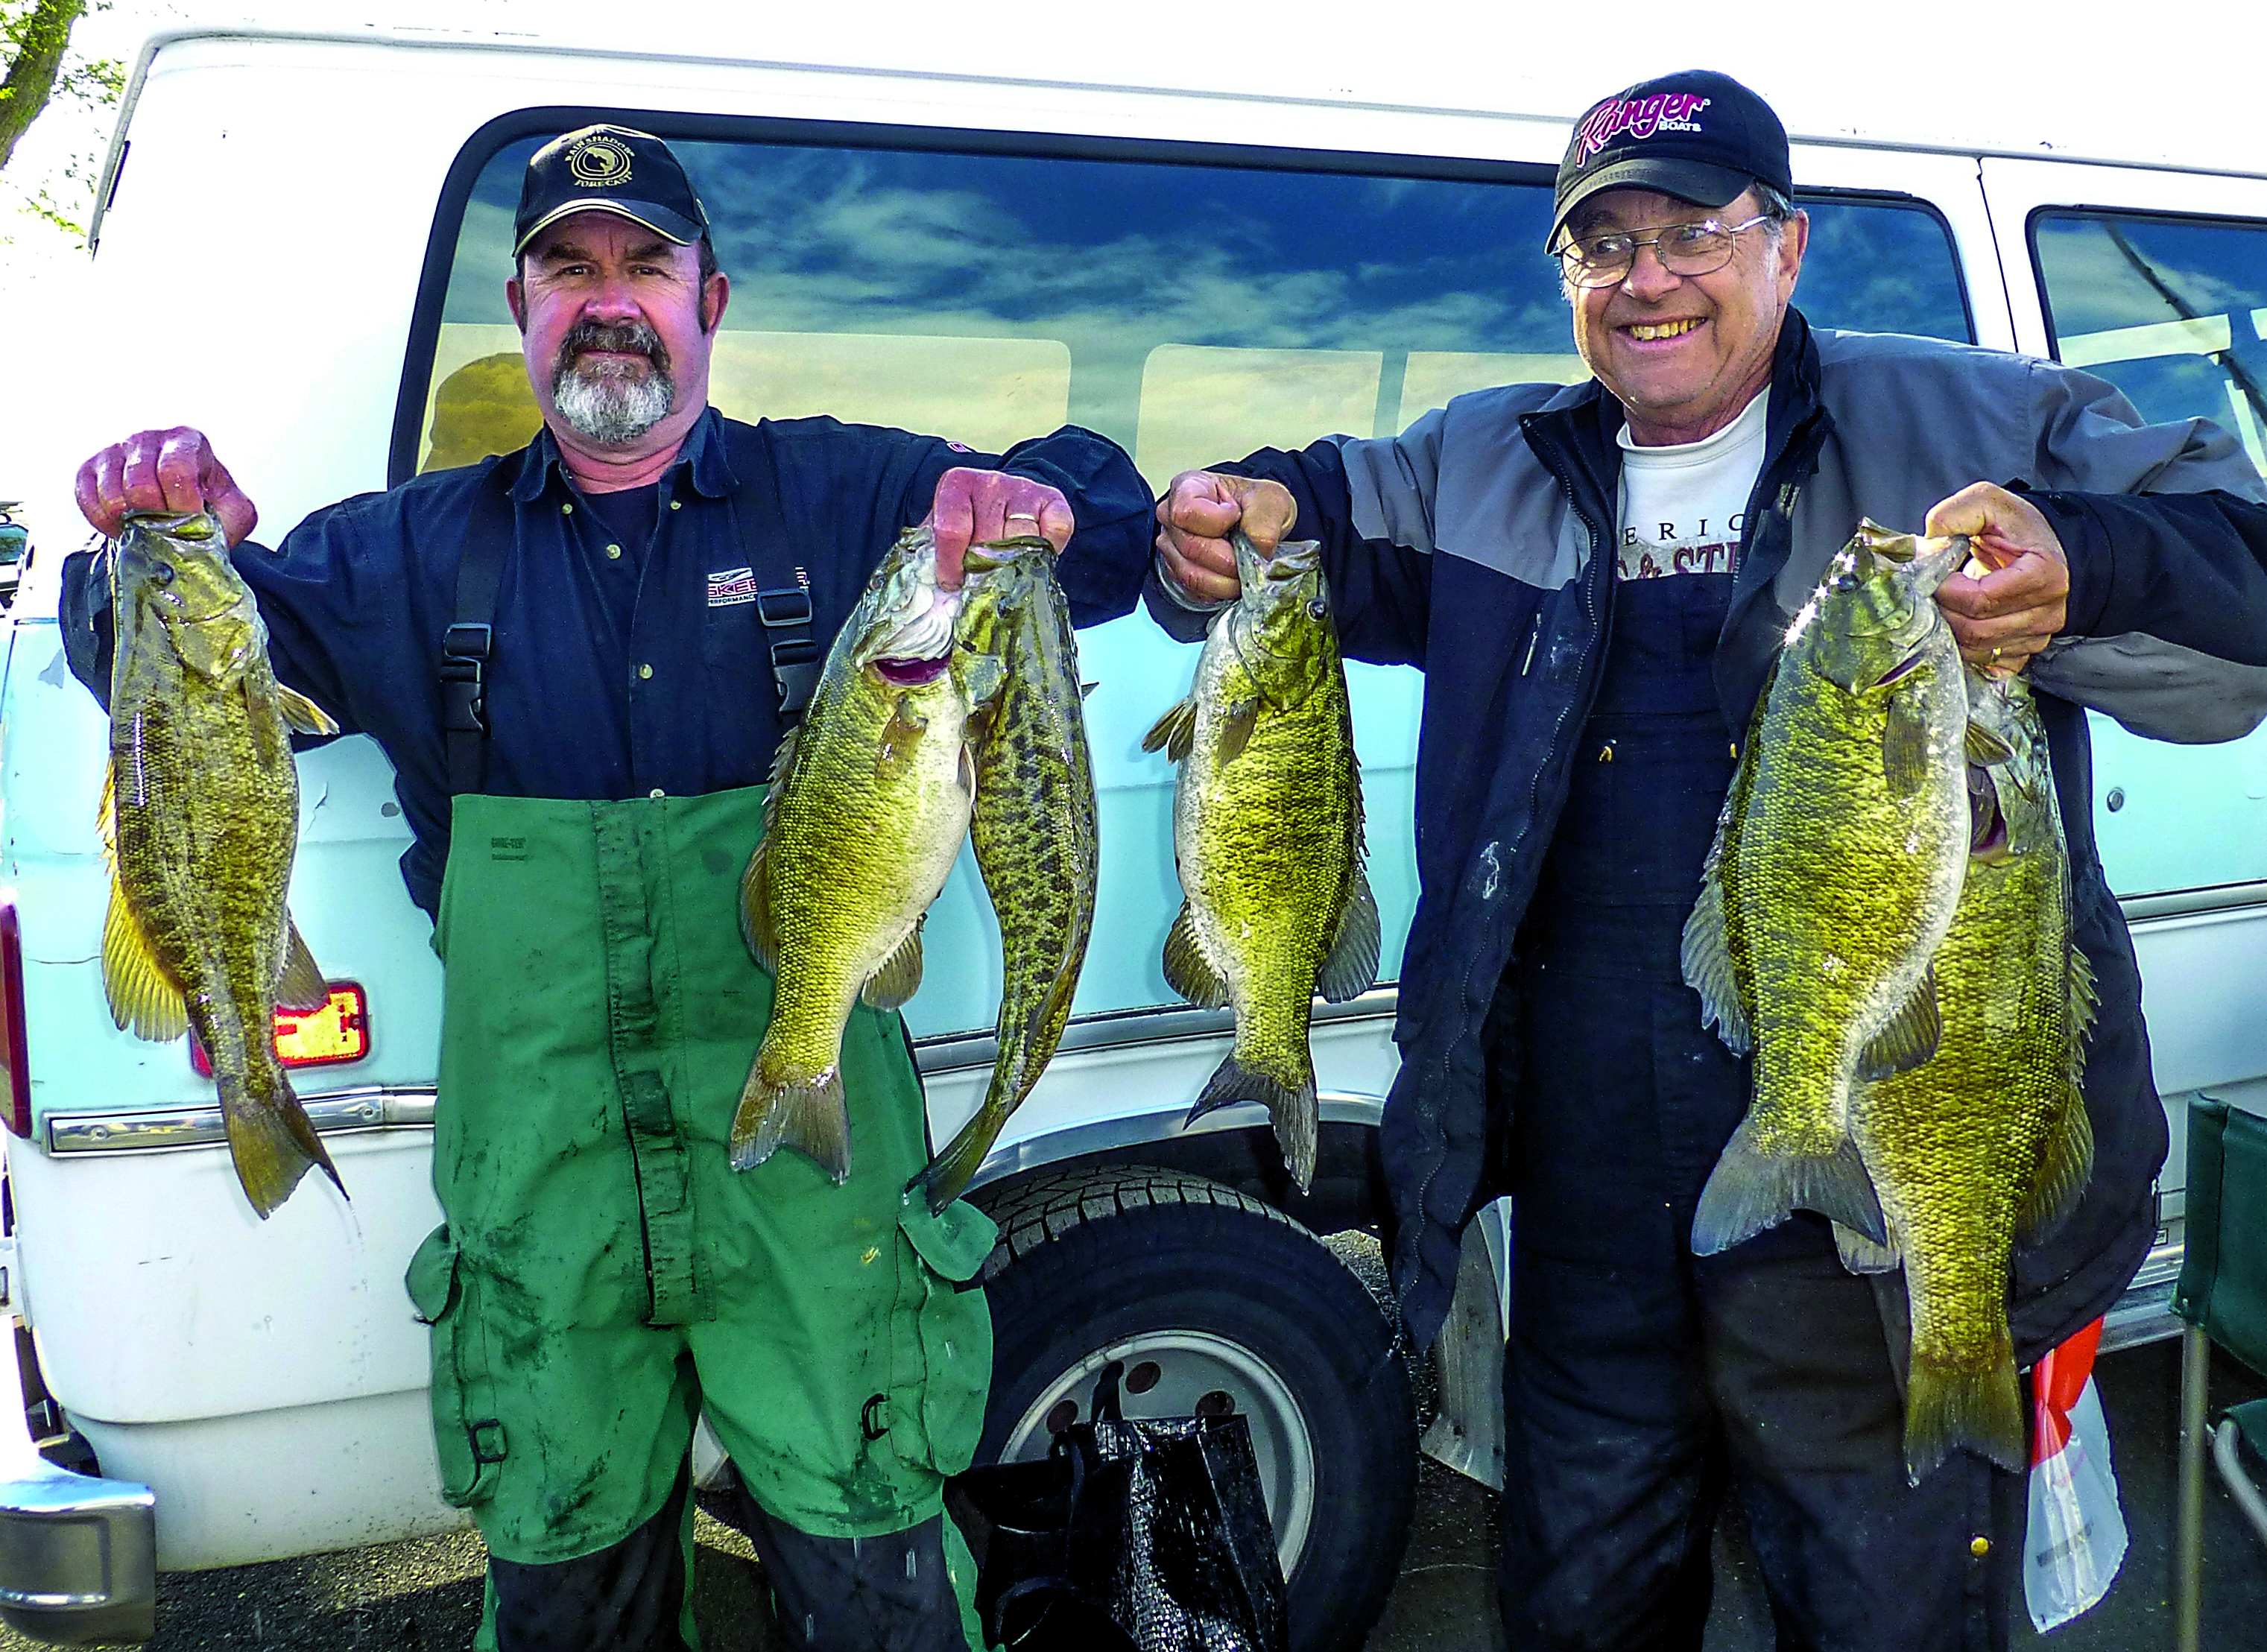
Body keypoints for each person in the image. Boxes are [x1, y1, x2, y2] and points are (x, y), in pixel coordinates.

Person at [1151, 69, 2267, 1651]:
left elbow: (2246, 574)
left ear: (1788, 246)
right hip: (1590, 1182)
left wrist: (2085, 566)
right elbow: (1310, 506)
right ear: (1568, 280)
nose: (1649, 277)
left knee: (1886, 1602)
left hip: (1873, 1198)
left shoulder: (1980, 417)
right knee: (1585, 1595)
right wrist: (1225, 517)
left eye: (1694, 230)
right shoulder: (1492, 454)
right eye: (1602, 247)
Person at [64, 124, 1151, 1652]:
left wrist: (1028, 495)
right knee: (571, 1595)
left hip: (809, 1188)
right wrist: (136, 536)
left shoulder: (844, 497)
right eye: (571, 271)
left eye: (647, 263)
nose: (611, 299)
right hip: (549, 1194)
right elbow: (157, 666)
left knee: (879, 1576)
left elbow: (1102, 535)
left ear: (713, 301)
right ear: (521, 310)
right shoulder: (404, 550)